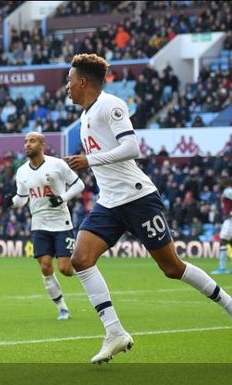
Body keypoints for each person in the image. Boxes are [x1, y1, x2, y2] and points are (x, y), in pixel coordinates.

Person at [64, 53, 232, 364]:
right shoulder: (86, 115)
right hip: (109, 201)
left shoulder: (110, 105)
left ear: (83, 81)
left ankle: (228, 304)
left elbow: (133, 148)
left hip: (138, 197)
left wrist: (89, 160)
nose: (67, 87)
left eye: (70, 81)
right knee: (81, 259)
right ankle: (114, 332)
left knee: (172, 268)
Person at [6, 132, 85, 321]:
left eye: (32, 141)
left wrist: (63, 198)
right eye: (25, 142)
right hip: (39, 224)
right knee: (45, 266)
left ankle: (88, 275)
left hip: (61, 222)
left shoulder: (57, 164)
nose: (27, 145)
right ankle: (63, 308)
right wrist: (10, 202)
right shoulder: (22, 171)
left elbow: (79, 185)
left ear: (42, 145)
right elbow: (22, 199)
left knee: (66, 269)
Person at [212, 177, 232, 274]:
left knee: (223, 241)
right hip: (228, 219)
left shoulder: (228, 191)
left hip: (230, 220)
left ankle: (222, 268)